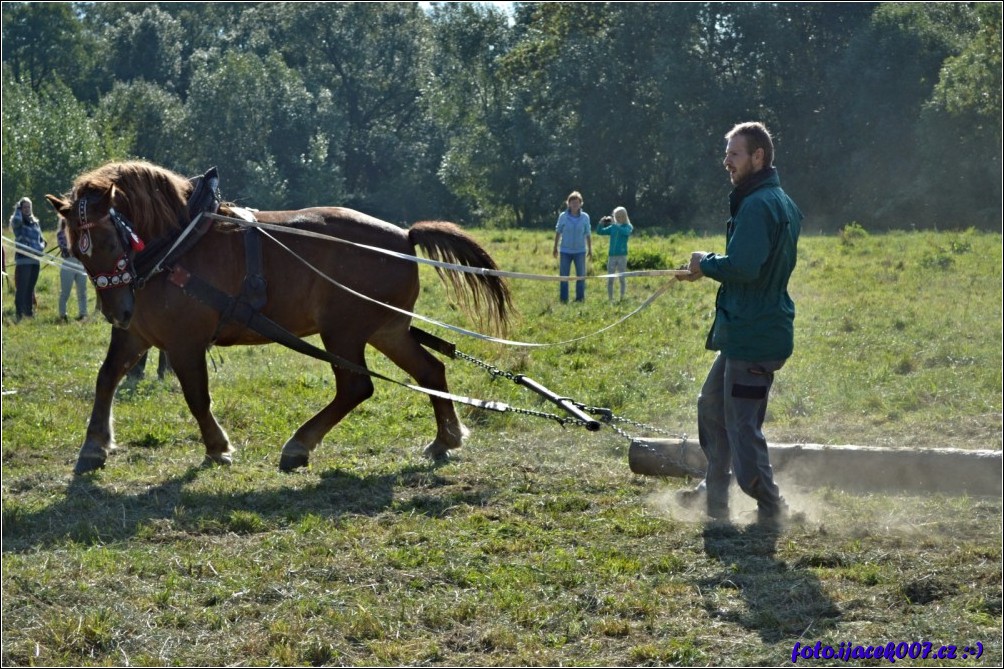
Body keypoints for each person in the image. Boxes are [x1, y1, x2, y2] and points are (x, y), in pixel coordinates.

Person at [676, 121, 803, 528]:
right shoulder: (777, 200)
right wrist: (708, 266)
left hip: (753, 335)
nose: (726, 161)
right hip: (747, 331)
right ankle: (714, 494)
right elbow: (752, 261)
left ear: (757, 157)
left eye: (733, 153)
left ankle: (771, 506)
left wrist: (705, 263)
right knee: (711, 405)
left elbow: (746, 267)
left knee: (742, 430)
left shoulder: (759, 204)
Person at [552, 191, 592, 302]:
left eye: (577, 202)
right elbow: (558, 232)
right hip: (565, 250)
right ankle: (564, 299)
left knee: (581, 276)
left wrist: (590, 249)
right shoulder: (563, 216)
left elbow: (588, 234)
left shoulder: (585, 217)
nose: (575, 204)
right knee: (564, 276)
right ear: (568, 204)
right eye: (572, 202)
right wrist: (555, 248)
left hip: (580, 251)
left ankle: (580, 298)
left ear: (581, 204)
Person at [11, 198, 46, 321]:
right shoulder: (19, 221)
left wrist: (40, 248)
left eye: (28, 207)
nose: (27, 209)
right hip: (23, 260)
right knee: (22, 287)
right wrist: (18, 210)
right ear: (21, 208)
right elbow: (16, 221)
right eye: (24, 207)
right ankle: (19, 313)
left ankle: (28, 312)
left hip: (35, 260)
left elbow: (41, 239)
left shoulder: (35, 222)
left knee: (30, 287)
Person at [596, 206, 634, 301]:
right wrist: (600, 223)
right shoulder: (613, 227)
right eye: (616, 216)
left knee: (622, 278)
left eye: (621, 216)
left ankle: (622, 297)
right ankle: (610, 299)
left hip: (622, 256)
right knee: (610, 279)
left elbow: (625, 233)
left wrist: (616, 225)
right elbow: (600, 232)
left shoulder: (628, 226)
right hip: (612, 256)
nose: (618, 218)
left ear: (625, 216)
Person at [56, 217, 89, 321]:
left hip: (80, 263)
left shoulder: (81, 233)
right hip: (69, 262)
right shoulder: (61, 233)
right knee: (65, 291)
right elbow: (65, 248)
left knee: (82, 291)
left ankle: (83, 313)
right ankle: (62, 314)